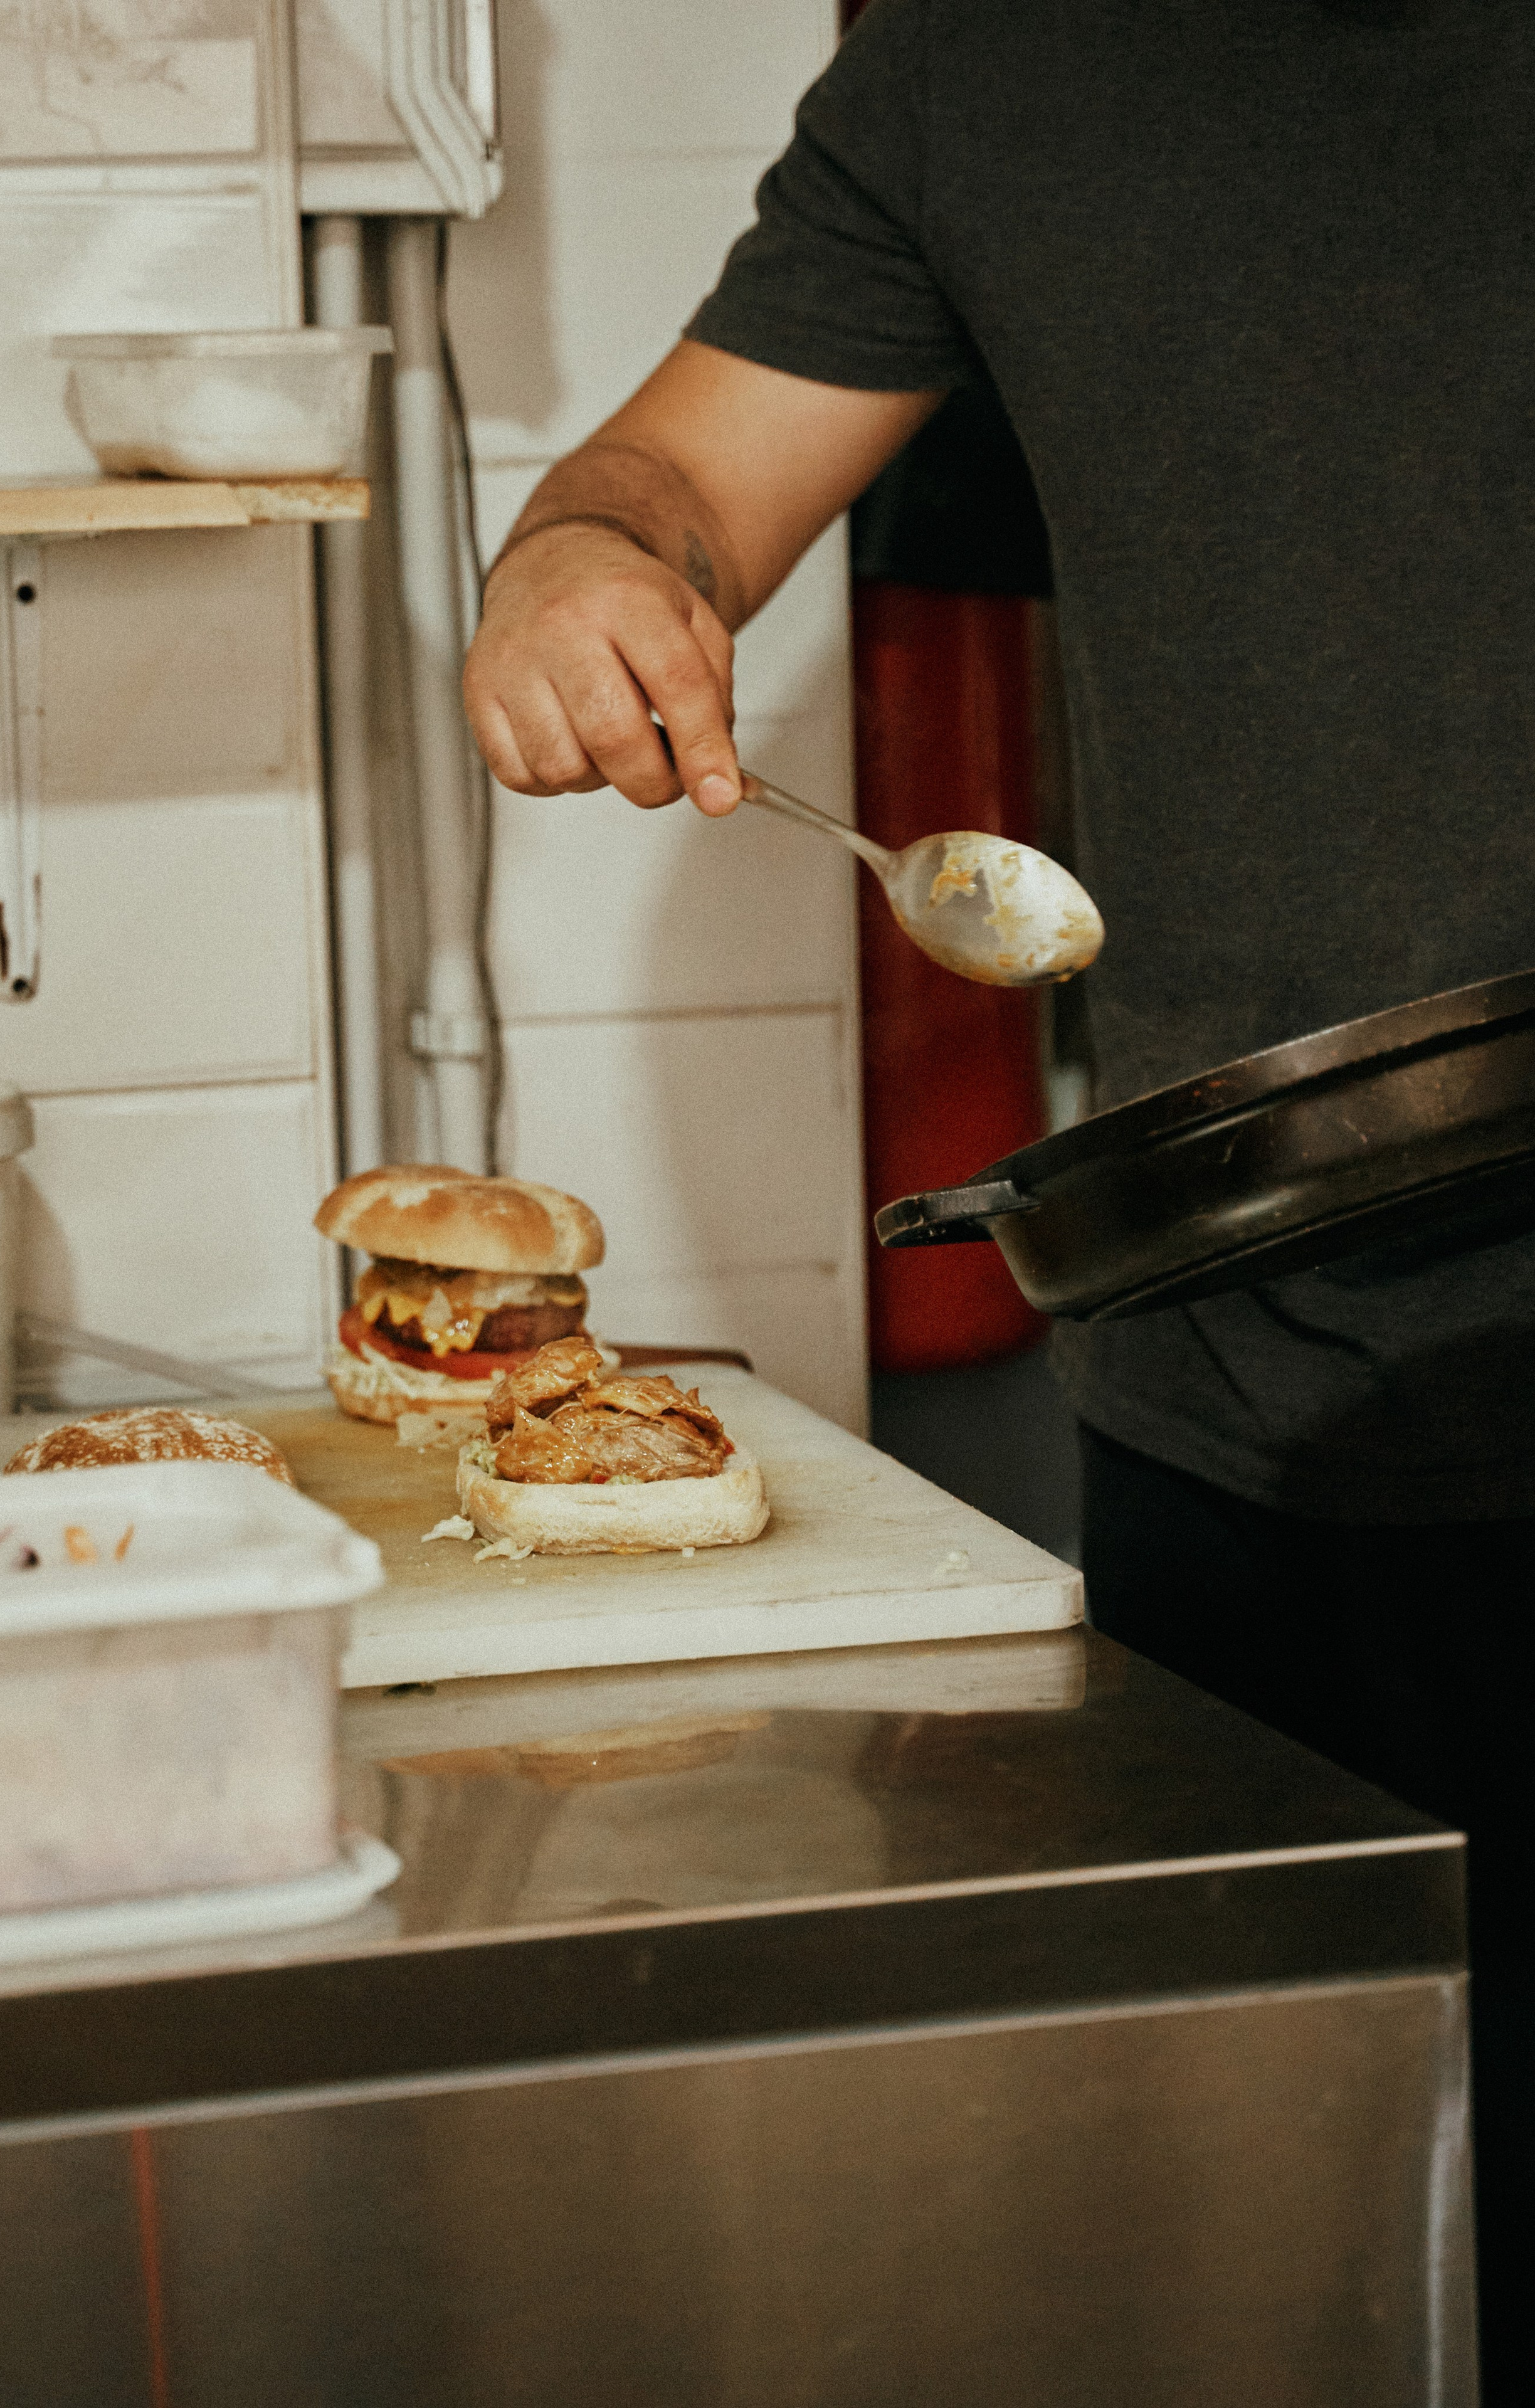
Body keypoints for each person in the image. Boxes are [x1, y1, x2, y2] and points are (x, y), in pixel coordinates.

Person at [464, 6, 1534, 2386]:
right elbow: (667, 477)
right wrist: (580, 573)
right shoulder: (978, 55)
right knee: (1334, 2287)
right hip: (1254, 1396)